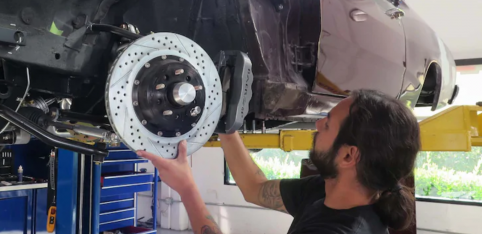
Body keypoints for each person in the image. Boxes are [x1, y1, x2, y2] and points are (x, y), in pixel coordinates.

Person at [137, 89, 421, 234]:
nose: (318, 124)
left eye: (328, 124)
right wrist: (225, 120)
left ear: (349, 155)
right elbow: (255, 188)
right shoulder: (330, 190)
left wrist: (186, 187)